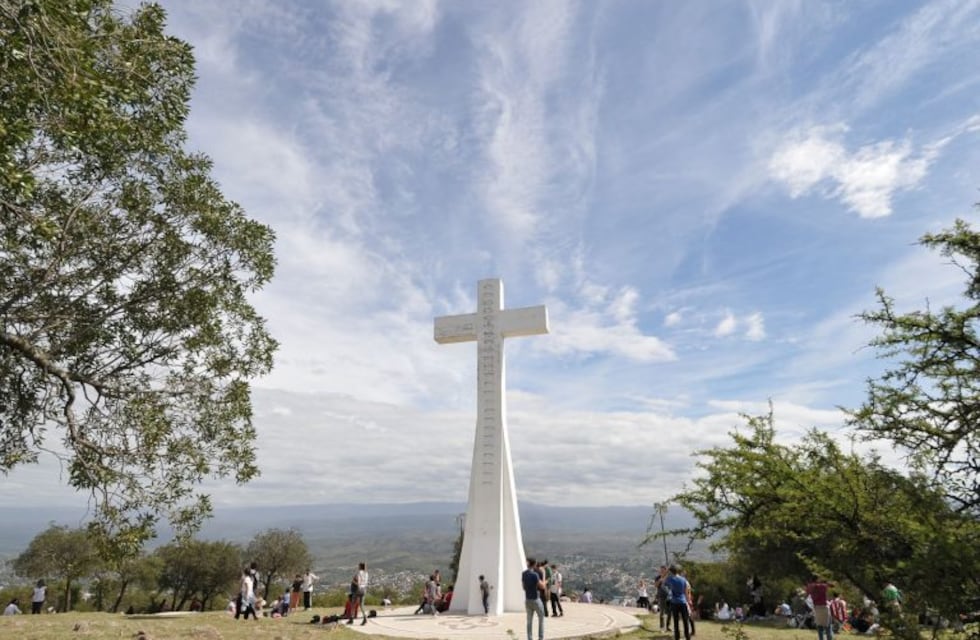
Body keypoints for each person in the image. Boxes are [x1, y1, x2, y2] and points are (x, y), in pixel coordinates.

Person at [665, 564, 691, 640]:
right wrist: (688, 601)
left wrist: (667, 572)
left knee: (676, 622)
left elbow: (664, 581)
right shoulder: (683, 579)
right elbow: (686, 591)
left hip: (674, 602)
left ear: (671, 571)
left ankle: (677, 637)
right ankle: (687, 637)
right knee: (685, 621)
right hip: (683, 602)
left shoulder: (670, 578)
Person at [522, 557, 546, 640]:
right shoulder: (535, 575)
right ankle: (540, 638)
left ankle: (530, 638)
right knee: (541, 618)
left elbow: (523, 587)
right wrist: (544, 576)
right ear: (535, 564)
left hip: (527, 600)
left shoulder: (524, 573)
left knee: (529, 621)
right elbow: (543, 586)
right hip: (535, 599)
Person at [806, 576, 834, 640]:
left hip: (816, 607)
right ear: (817, 579)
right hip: (824, 607)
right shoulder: (821, 586)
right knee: (828, 626)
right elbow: (831, 585)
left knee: (819, 626)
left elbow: (808, 593)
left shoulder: (809, 586)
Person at [655, 565, 671, 632]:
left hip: (669, 596)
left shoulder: (669, 578)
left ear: (666, 570)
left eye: (663, 570)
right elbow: (656, 585)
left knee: (669, 612)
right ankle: (662, 627)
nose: (661, 571)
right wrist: (660, 579)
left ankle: (668, 627)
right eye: (660, 570)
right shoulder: (658, 577)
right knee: (662, 612)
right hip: (661, 596)